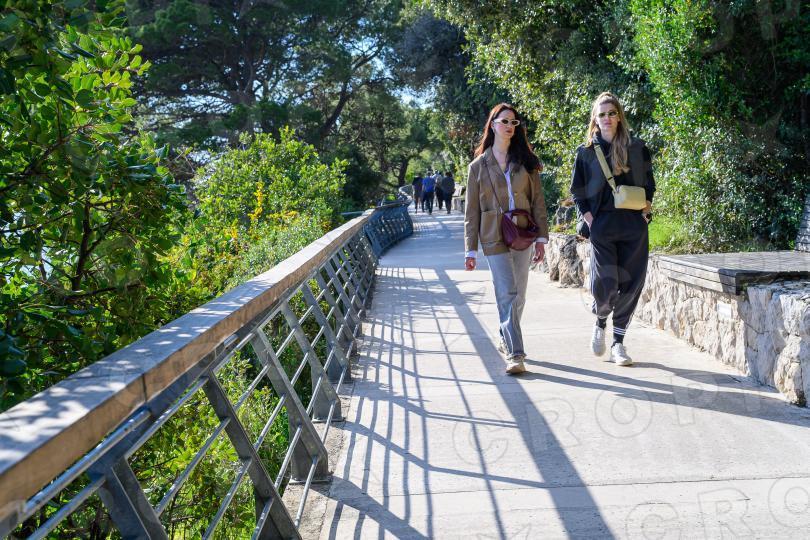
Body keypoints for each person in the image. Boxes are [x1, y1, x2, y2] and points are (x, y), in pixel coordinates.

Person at [570, 92, 654, 366]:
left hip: (633, 225)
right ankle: (600, 320)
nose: (607, 118)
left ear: (619, 116)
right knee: (605, 285)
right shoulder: (586, 152)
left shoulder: (637, 148)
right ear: (595, 119)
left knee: (631, 284)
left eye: (612, 113)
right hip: (602, 226)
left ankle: (618, 343)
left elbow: (649, 184)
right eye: (602, 114)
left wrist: (647, 208)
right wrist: (590, 219)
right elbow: (578, 191)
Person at [464, 103, 549, 374]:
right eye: (504, 121)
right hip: (493, 235)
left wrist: (542, 238)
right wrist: (470, 250)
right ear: (493, 125)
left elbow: (538, 202)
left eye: (514, 122)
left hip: (523, 232)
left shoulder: (527, 162)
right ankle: (515, 354)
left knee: (519, 295)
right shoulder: (478, 167)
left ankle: (505, 335)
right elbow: (471, 211)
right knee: (507, 294)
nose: (510, 126)